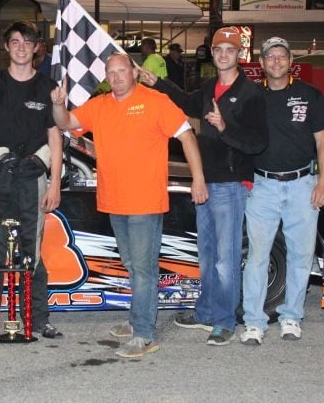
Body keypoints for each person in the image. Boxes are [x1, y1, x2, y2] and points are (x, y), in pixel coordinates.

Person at [51, 52, 207, 358]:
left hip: (145, 202)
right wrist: (58, 104)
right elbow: (66, 122)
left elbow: (187, 136)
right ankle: (138, 318)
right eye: (111, 72)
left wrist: (198, 179)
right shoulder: (101, 105)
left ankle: (145, 333)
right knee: (133, 265)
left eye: (122, 71)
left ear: (133, 73)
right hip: (114, 202)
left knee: (144, 269)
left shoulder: (155, 101)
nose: (117, 77)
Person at [141, 25, 268, 346]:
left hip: (230, 185)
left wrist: (225, 128)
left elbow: (257, 143)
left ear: (239, 55)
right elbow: (185, 101)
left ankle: (225, 320)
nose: (223, 55)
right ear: (212, 54)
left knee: (226, 258)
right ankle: (206, 311)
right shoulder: (210, 87)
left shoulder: (252, 94)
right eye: (218, 50)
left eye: (230, 50)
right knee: (207, 255)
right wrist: (158, 83)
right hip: (206, 182)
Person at [0, 21, 63, 341]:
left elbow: (56, 138)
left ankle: (36, 319)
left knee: (31, 249)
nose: (21, 47)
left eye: (27, 42)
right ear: (6, 47)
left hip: (33, 177)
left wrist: (55, 183)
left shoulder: (47, 86)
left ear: (37, 48)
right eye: (15, 41)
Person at [240, 37, 324, 344]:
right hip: (263, 186)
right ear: (262, 63)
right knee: (257, 257)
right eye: (270, 57)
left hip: (302, 185)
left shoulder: (309, 95)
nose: (276, 61)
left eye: (281, 56)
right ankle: (254, 322)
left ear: (290, 60)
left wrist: (323, 182)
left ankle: (291, 316)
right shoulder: (251, 97)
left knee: (300, 255)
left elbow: (323, 142)